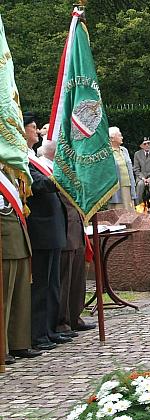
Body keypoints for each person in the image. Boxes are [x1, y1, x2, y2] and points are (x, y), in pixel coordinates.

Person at [35, 140, 92, 336]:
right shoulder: (41, 166)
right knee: (63, 279)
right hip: (62, 229)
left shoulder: (62, 168)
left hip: (74, 227)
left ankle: (74, 316)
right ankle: (61, 322)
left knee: (77, 277)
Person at [24, 116, 70, 352]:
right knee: (41, 283)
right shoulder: (22, 159)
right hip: (40, 227)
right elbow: (37, 185)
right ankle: (38, 333)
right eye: (33, 128)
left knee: (52, 283)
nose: (37, 132)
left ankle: (50, 329)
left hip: (53, 226)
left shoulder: (34, 158)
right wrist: (60, 179)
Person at [0, 156, 36, 363]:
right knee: (4, 299)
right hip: (5, 244)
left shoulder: (9, 173)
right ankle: (2, 348)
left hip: (19, 241)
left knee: (20, 297)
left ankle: (18, 343)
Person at [108, 127, 137, 210]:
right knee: (119, 212)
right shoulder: (107, 152)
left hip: (128, 185)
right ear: (112, 138)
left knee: (130, 210)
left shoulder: (124, 150)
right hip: (116, 188)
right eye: (119, 135)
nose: (122, 137)